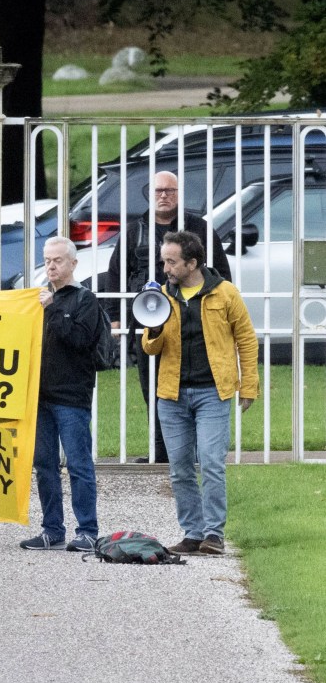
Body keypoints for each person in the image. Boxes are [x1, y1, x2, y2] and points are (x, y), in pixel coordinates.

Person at [142, 230, 258, 556]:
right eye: (164, 260)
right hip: (172, 393)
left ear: (192, 262)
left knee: (210, 463)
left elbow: (247, 341)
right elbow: (150, 348)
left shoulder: (225, 293)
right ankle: (192, 534)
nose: (165, 267)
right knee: (179, 467)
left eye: (171, 261)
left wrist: (248, 385)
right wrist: (153, 324)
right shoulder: (162, 296)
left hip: (212, 393)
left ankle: (214, 534)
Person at [106, 171, 232, 463]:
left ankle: (201, 452)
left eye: (170, 191)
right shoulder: (134, 230)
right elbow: (115, 276)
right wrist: (115, 319)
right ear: (150, 194)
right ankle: (161, 452)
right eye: (159, 190)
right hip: (147, 321)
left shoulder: (199, 228)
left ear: (179, 194)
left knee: (195, 384)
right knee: (152, 386)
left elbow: (222, 273)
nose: (164, 195)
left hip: (193, 320)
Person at [20, 236, 100, 552]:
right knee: (45, 465)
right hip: (40, 397)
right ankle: (52, 529)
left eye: (58, 260)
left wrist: (53, 310)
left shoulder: (84, 300)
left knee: (79, 465)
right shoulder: (38, 300)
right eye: (47, 260)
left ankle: (88, 530)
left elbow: (80, 340)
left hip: (71, 397)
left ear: (72, 264)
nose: (51, 266)